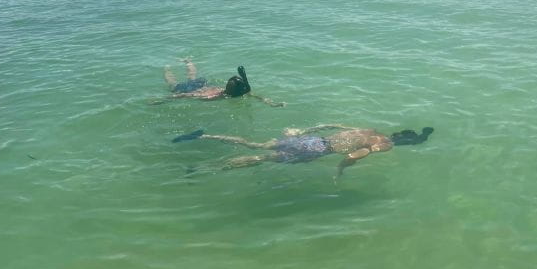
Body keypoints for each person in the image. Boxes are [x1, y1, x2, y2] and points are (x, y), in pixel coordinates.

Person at [172, 124, 433, 177]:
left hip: (313, 139)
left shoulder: (367, 129)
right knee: (261, 158)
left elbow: (331, 124)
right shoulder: (381, 144)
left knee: (256, 145)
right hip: (316, 151)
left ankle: (206, 135)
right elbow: (353, 156)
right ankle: (205, 168)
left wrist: (302, 131)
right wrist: (340, 171)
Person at [152, 60, 284, 107]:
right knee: (173, 83)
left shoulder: (239, 92)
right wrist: (165, 100)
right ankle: (167, 68)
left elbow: (258, 97)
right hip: (195, 90)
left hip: (201, 86)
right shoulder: (239, 93)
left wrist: (272, 103)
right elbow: (188, 96)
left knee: (192, 77)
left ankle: (186, 62)